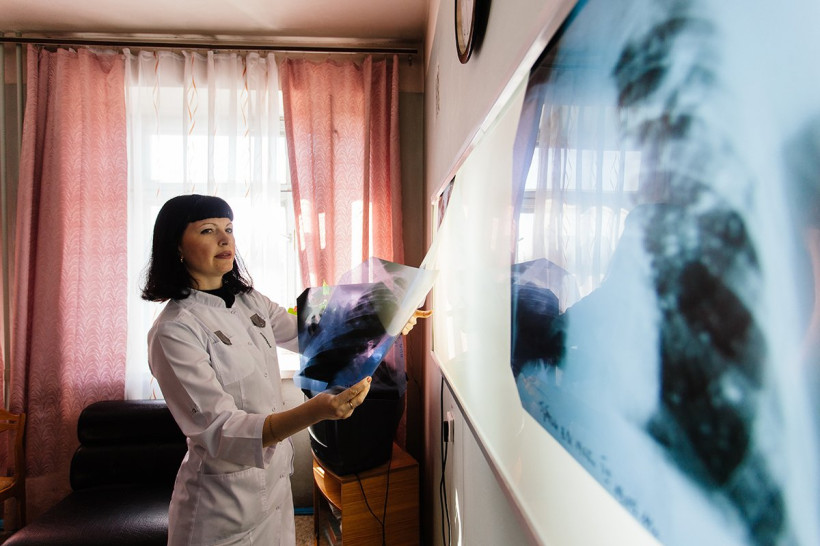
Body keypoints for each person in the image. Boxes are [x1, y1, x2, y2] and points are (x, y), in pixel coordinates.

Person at [141, 194, 426, 545]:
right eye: (208, 230)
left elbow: (312, 333)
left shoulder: (249, 301)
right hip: (220, 509)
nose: (225, 239)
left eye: (229, 229)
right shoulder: (174, 330)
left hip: (274, 492)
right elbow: (221, 431)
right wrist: (314, 411)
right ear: (176, 246)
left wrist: (388, 321)